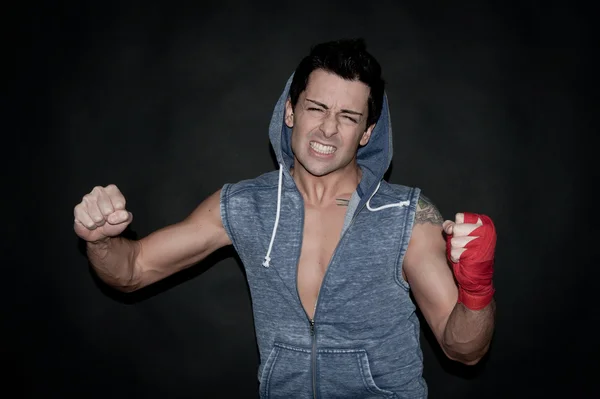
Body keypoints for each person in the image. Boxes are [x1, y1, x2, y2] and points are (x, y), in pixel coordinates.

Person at [73, 38, 497, 398]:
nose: (328, 130)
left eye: (348, 117)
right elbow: (131, 270)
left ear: (366, 133)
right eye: (317, 108)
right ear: (291, 112)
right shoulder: (244, 205)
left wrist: (476, 287)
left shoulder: (408, 216)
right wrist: (101, 240)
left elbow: (464, 350)